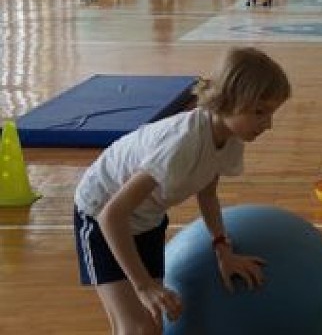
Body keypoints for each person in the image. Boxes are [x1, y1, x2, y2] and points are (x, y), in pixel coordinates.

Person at [73, 47, 291, 334]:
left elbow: (208, 193)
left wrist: (223, 250)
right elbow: (111, 216)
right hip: (101, 212)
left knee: (152, 323)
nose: (268, 124)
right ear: (228, 101)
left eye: (271, 113)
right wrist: (143, 286)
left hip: (146, 220)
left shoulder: (230, 137)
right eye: (259, 112)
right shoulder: (182, 143)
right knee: (137, 327)